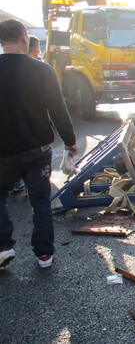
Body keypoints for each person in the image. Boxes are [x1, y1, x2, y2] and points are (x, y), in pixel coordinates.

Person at [0, 19, 78, 269]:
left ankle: (4, 247)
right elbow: (57, 108)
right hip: (38, 151)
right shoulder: (42, 70)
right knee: (41, 202)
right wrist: (70, 141)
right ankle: (44, 254)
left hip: (3, 154)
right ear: (25, 37)